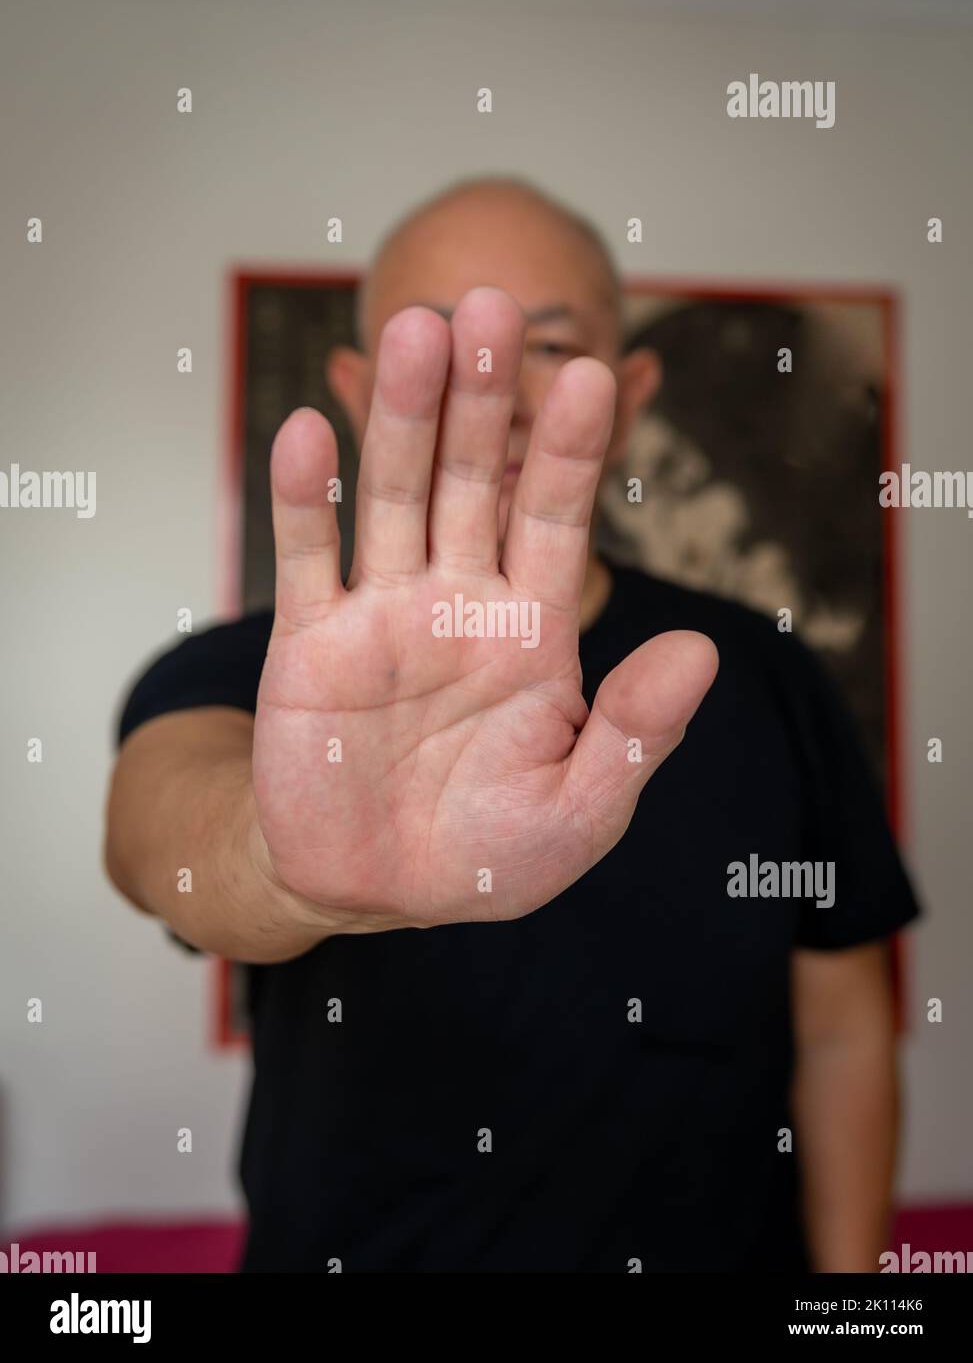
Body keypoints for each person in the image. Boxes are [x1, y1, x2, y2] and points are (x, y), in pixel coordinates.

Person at [105, 177, 919, 1273]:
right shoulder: (239, 672)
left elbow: (838, 1028)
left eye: (548, 348)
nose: (497, 387)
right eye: (432, 344)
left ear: (628, 392)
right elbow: (156, 835)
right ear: (356, 386)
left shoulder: (762, 673)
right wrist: (283, 867)